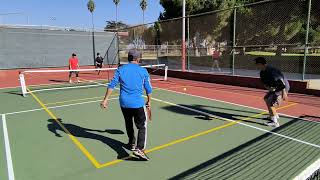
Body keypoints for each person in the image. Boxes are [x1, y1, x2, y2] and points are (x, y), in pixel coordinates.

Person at [100, 49, 152, 161]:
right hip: (137, 104)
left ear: (129, 58)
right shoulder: (143, 71)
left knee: (128, 123)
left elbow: (111, 85)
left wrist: (105, 100)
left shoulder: (121, 69)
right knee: (142, 126)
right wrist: (149, 101)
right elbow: (148, 88)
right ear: (138, 59)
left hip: (124, 104)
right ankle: (139, 149)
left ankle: (132, 143)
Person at [255, 57, 290, 127]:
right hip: (276, 88)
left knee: (271, 103)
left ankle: (275, 122)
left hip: (282, 87)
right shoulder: (262, 72)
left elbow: (280, 81)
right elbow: (264, 83)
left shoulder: (271, 70)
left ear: (260, 64)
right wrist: (269, 88)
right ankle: (274, 115)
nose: (256, 65)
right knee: (266, 98)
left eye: (257, 64)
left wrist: (284, 92)